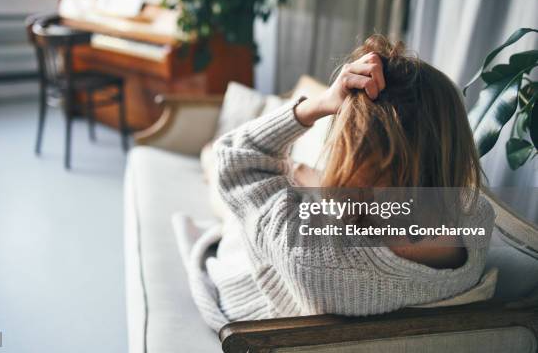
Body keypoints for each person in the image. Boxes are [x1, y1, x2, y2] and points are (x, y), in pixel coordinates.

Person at [175, 35, 495, 330]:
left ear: (362, 155)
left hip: (251, 285)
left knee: (224, 181)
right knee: (297, 174)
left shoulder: (312, 253)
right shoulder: (475, 220)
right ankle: (293, 171)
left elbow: (234, 157)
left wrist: (319, 104)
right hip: (329, 226)